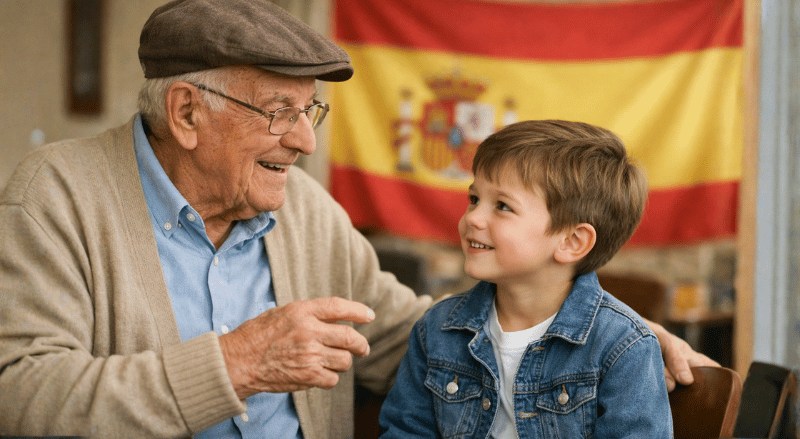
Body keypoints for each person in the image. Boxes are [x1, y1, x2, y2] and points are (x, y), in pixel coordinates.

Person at [0, 1, 714, 438]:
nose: (304, 141)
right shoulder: (57, 194)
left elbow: (410, 336)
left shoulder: (302, 206)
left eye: (307, 111)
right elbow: (20, 394)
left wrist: (583, 331)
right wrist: (236, 364)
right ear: (187, 113)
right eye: (278, 112)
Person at [379, 120, 673, 438]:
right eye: (474, 199)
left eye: (502, 206)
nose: (473, 218)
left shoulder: (625, 347)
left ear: (572, 242)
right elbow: (405, 432)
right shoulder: (435, 329)